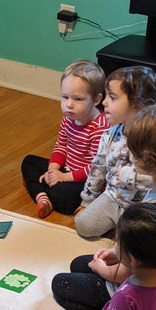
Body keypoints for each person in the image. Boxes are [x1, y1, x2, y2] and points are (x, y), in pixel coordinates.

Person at [52, 102, 156, 310]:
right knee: (79, 264)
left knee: (60, 284)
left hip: (137, 291)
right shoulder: (154, 194)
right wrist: (116, 254)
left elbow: (124, 274)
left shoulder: (149, 215)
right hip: (141, 271)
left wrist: (102, 269)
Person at [75, 65, 156, 238]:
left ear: (138, 104)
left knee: (136, 241)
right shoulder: (109, 134)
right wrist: (87, 200)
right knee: (83, 225)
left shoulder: (152, 140)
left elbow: (155, 182)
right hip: (113, 197)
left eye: (112, 98)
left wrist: (127, 176)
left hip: (143, 206)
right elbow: (97, 167)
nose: (104, 102)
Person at [21, 60, 108, 218]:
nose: (69, 104)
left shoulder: (100, 128)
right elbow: (61, 146)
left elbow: (96, 168)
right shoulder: (68, 118)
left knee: (65, 192)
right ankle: (44, 198)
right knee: (29, 162)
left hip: (87, 180)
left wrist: (64, 177)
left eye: (78, 99)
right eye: (65, 97)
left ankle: (44, 194)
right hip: (66, 170)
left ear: (96, 100)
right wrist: (52, 170)